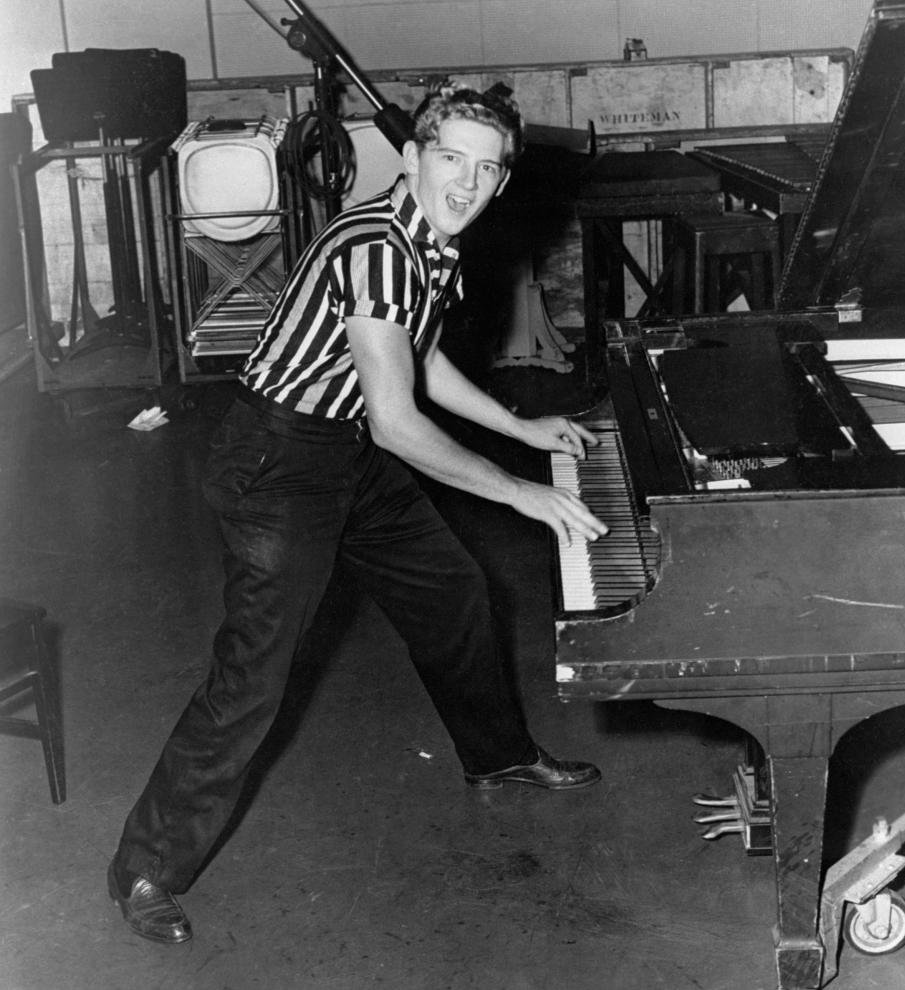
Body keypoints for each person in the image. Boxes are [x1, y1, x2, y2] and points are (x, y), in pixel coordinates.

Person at [107, 87, 608, 944]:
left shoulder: (431, 241)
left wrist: (518, 425)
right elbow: (399, 420)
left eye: (488, 168)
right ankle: (144, 867)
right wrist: (523, 489)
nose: (469, 181)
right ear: (412, 158)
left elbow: (418, 358)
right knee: (255, 679)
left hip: (347, 451)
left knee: (454, 590)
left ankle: (499, 756)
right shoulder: (376, 245)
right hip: (278, 464)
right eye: (452, 157)